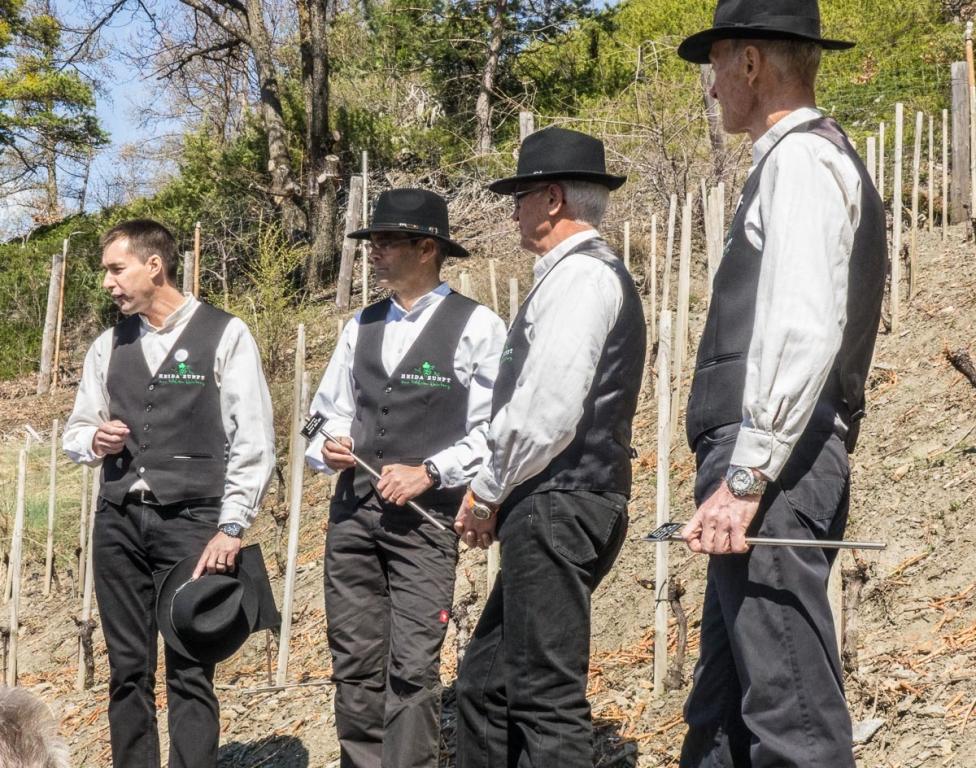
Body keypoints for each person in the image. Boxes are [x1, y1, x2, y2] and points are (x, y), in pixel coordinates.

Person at [674, 2, 886, 766]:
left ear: (750, 62)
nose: (712, 87)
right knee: (723, 714)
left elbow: (801, 326)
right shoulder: (795, 162)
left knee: (791, 718)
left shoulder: (801, 161)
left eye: (716, 65)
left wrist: (746, 475)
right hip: (771, 465)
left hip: (774, 466)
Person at [453, 127, 646, 768]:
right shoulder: (573, 276)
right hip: (559, 499)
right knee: (485, 685)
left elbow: (548, 410)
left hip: (561, 499)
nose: (513, 212)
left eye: (521, 197)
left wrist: (487, 491)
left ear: (554, 199)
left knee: (544, 697)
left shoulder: (581, 278)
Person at [63, 219, 275, 768]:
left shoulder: (226, 334)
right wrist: (94, 438)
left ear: (154, 265)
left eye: (117, 269)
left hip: (192, 522)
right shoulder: (107, 346)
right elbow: (76, 431)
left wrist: (232, 525)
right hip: (118, 522)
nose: (107, 283)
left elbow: (253, 440)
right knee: (127, 669)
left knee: (190, 665)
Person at [305, 188, 506, 767]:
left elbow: (496, 429)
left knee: (413, 667)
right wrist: (329, 445)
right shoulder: (360, 324)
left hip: (425, 523)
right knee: (354, 663)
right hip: (353, 516)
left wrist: (431, 472)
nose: (374, 251)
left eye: (387, 241)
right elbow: (323, 414)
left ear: (426, 249)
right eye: (373, 241)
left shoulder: (478, 326)